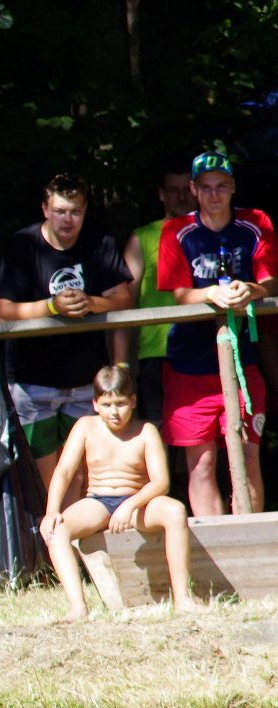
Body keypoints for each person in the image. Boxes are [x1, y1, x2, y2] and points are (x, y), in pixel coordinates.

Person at [0, 174, 134, 496]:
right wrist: (51, 306)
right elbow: (4, 311)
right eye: (59, 211)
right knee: (42, 479)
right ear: (45, 209)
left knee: (79, 477)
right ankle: (50, 529)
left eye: (75, 211)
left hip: (84, 381)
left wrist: (90, 303)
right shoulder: (23, 245)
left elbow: (122, 298)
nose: (67, 219)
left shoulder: (99, 242)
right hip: (32, 383)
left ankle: (73, 529)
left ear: (85, 211)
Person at [157, 150, 278, 516]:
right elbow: (180, 294)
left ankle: (250, 539)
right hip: (188, 366)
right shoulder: (176, 231)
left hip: (244, 363)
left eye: (221, 186)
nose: (214, 195)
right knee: (201, 463)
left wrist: (250, 290)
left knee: (247, 456)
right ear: (194, 190)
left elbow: (270, 282)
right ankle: (214, 544)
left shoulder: (255, 222)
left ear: (233, 187)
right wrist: (211, 293)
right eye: (206, 187)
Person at [40, 365, 196, 621]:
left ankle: (183, 598)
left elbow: (161, 482)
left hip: (137, 502)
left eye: (121, 404)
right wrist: (51, 511)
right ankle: (78, 607)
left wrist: (130, 505)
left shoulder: (146, 431)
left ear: (133, 401)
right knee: (55, 530)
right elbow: (64, 471)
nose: (114, 412)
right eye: (107, 405)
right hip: (97, 501)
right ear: (95, 404)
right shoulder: (85, 427)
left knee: (176, 511)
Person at [122, 161, 197, 422]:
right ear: (161, 194)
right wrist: (121, 362)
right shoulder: (142, 237)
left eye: (187, 189)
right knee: (157, 432)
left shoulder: (213, 235)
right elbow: (124, 302)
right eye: (174, 190)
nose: (181, 197)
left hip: (206, 349)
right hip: (156, 353)